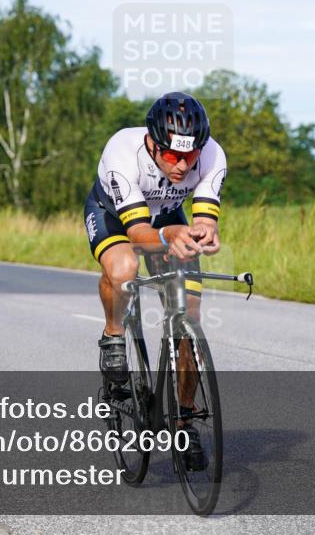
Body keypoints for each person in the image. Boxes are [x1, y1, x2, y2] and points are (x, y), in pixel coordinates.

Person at [83, 91, 227, 471]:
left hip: (167, 217)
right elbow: (138, 232)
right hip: (115, 217)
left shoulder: (211, 154)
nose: (181, 166)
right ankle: (114, 335)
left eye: (189, 156)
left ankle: (185, 418)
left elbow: (205, 218)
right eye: (171, 156)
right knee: (124, 268)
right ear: (152, 141)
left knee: (189, 318)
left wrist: (203, 233)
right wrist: (170, 237)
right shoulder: (122, 153)